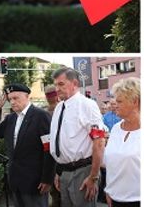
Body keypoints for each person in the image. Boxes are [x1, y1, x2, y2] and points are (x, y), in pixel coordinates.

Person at [0, 83, 55, 206]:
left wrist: (47, 179)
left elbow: (49, 149)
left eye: (16, 98)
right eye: (10, 99)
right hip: (15, 180)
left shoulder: (40, 116)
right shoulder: (11, 118)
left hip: (35, 181)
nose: (12, 102)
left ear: (27, 96)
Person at [49, 67, 106, 207]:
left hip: (82, 172)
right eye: (55, 84)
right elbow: (59, 142)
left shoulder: (87, 105)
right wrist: (58, 171)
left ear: (74, 83)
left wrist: (93, 176)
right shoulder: (58, 107)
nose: (57, 88)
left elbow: (99, 142)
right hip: (63, 171)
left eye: (61, 84)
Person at [104, 78, 140, 207]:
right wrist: (109, 190)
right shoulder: (115, 129)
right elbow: (112, 163)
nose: (114, 104)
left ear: (135, 101)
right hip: (115, 199)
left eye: (119, 101)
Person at [44, 84, 61, 207]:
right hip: (62, 155)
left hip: (48, 154)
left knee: (54, 193)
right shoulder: (62, 110)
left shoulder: (42, 112)